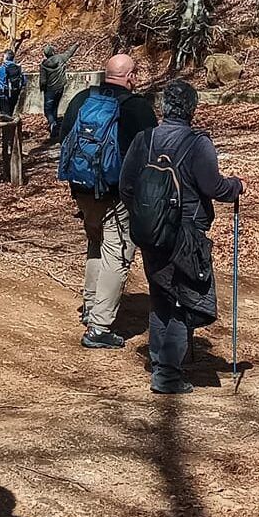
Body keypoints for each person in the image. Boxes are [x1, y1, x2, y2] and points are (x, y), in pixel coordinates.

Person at [120, 82, 245, 394]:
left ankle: (160, 362)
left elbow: (125, 185)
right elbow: (214, 187)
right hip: (186, 234)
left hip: (150, 233)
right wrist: (236, 186)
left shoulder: (144, 139)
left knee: (161, 295)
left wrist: (147, 215)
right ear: (192, 109)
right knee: (183, 299)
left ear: (164, 107)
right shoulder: (198, 143)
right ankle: (168, 375)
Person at [53, 54, 160, 349]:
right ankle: (99, 327)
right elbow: (152, 152)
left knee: (95, 242)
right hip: (117, 193)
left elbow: (63, 138)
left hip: (82, 188)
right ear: (131, 76)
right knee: (118, 253)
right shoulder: (137, 108)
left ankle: (90, 307)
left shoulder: (82, 99)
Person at [40, 44, 73, 136]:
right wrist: (76, 45)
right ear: (53, 52)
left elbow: (43, 81)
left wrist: (42, 89)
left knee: (47, 110)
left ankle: (53, 124)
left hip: (50, 90)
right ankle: (54, 130)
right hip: (60, 88)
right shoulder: (60, 58)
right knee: (55, 107)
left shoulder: (43, 65)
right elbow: (69, 53)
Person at [0, 50, 25, 118]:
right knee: (10, 114)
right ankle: (11, 127)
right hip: (14, 94)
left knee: (4, 115)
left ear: (5, 58)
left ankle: (6, 128)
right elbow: (24, 82)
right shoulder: (18, 69)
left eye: (3, 56)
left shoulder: (1, 69)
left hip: (3, 95)